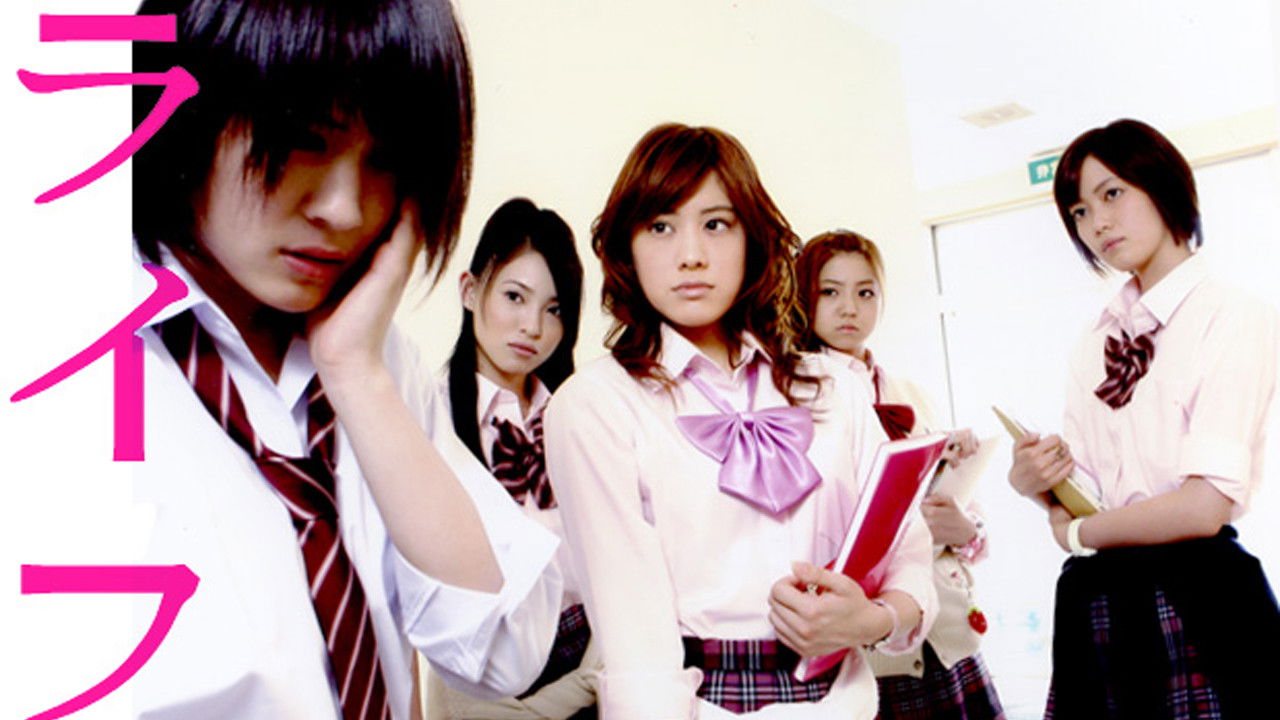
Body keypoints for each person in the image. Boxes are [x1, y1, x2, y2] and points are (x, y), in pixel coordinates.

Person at [130, 1, 562, 718]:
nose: (346, 209)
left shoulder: (376, 363)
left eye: (386, 161)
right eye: (303, 140)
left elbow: (502, 652)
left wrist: (356, 374)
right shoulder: (62, 362)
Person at [542, 123, 936, 719]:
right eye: (660, 226)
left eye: (717, 224)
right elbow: (635, 648)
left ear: (753, 236)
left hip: (845, 699)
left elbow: (908, 550)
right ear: (627, 246)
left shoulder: (834, 386)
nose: (691, 254)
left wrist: (873, 619)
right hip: (702, 704)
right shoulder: (595, 404)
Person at [1008, 118, 1280, 718]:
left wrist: (1074, 534)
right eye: (1080, 211)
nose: (1097, 224)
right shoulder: (1094, 339)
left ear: (1162, 184)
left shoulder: (1234, 316)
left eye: (1112, 194)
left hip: (1202, 601)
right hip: (1098, 604)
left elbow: (1202, 507)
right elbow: (1086, 496)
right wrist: (1036, 485)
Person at [795, 230, 1006, 720]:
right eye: (830, 292)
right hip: (868, 643)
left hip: (947, 637)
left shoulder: (912, 393)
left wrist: (965, 527)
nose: (850, 308)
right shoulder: (796, 397)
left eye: (865, 292)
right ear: (802, 297)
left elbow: (964, 507)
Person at [426, 197, 597, 720]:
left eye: (554, 309)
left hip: (593, 664)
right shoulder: (430, 420)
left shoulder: (578, 414)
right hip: (485, 681)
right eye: (515, 297)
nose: (532, 327)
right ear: (469, 290)